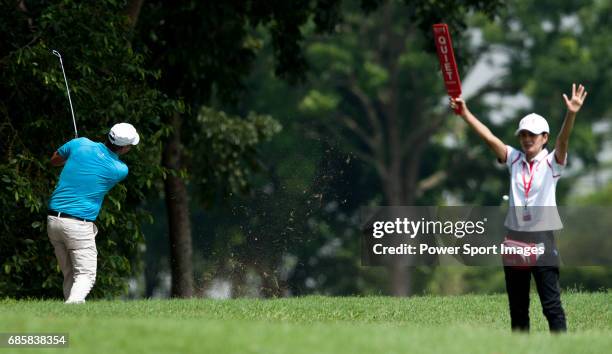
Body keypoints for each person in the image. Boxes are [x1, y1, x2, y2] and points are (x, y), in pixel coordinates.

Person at [450, 83, 588, 332]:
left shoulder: (552, 162)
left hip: (542, 239)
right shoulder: (513, 158)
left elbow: (564, 139)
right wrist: (464, 113)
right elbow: (489, 137)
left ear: (544, 138)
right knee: (518, 307)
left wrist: (572, 113)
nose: (526, 139)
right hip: (514, 239)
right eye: (523, 135)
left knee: (551, 306)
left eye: (532, 135)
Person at [47, 123, 140, 304]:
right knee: (86, 275)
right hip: (77, 225)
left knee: (70, 274)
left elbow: (54, 160)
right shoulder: (119, 169)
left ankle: (70, 316)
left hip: (53, 220)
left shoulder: (79, 143)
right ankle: (71, 306)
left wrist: (73, 153)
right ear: (123, 148)